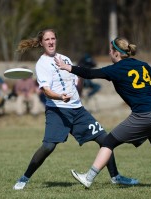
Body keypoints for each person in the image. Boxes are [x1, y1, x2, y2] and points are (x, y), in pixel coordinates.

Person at [55, 37, 151, 188]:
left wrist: (67, 67)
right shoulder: (142, 65)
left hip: (145, 114)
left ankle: (88, 178)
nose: (109, 53)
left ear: (116, 52)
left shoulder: (116, 69)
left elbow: (90, 74)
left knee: (109, 142)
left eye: (110, 50)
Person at [12, 29, 139, 190]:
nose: (51, 42)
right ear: (41, 42)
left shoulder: (65, 58)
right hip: (57, 110)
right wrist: (60, 97)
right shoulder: (41, 64)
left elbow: (75, 79)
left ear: (56, 40)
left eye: (53, 38)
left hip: (78, 111)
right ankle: (24, 177)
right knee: (48, 147)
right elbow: (46, 91)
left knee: (105, 140)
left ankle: (115, 177)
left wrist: (79, 83)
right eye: (47, 39)